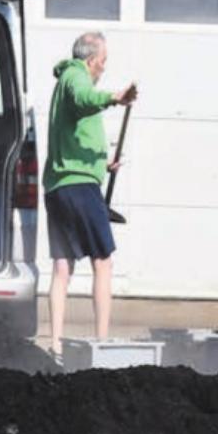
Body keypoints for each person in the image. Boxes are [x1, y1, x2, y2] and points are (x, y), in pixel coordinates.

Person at [43, 31, 137, 352]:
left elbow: (74, 134)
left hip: (60, 186)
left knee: (62, 265)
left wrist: (101, 164)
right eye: (103, 62)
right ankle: (101, 342)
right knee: (103, 261)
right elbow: (84, 99)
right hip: (79, 186)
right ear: (92, 59)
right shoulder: (75, 76)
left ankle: (55, 345)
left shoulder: (65, 83)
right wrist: (115, 98)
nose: (103, 69)